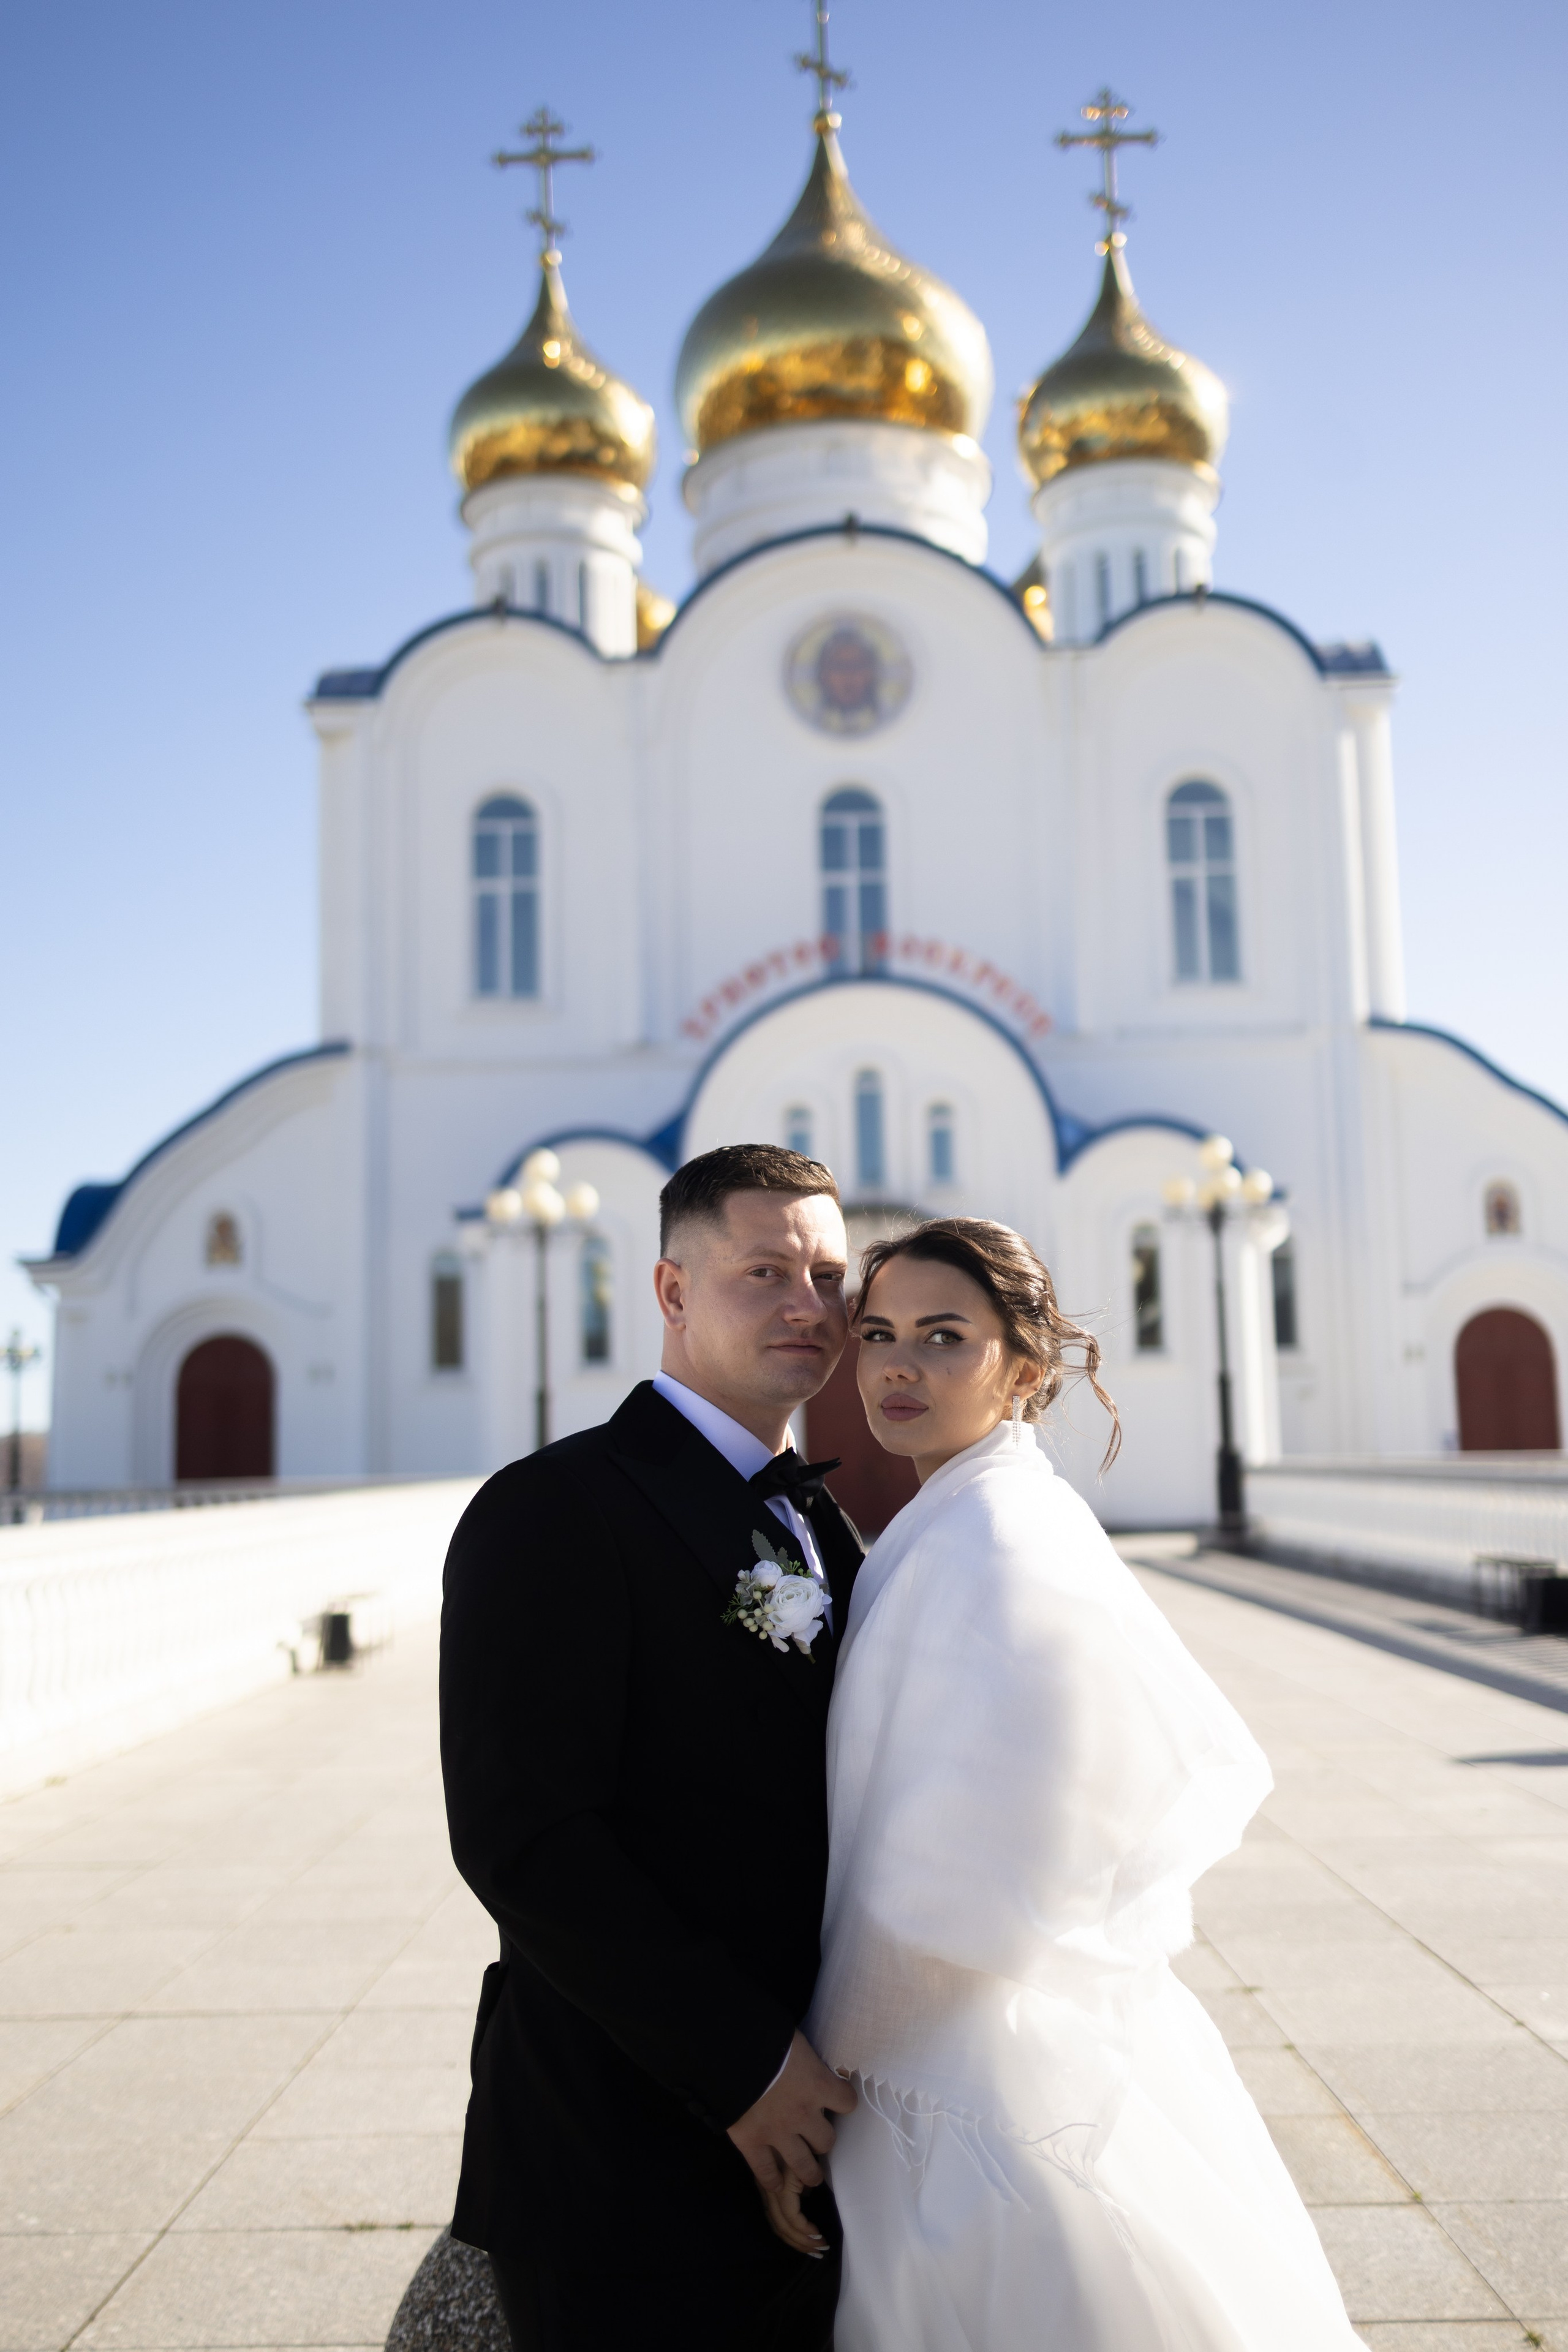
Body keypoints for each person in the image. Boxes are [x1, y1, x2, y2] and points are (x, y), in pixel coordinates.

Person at [795, 1217, 1363, 2352]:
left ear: (1024, 1366)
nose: (899, 1367)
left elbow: (955, 1870)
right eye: (880, 1334)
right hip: (962, 2024)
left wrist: (827, 2075)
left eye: (945, 1337)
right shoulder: (963, 1509)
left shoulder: (995, 1540)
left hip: (955, 2053)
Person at [439, 1144, 863, 2352]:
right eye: (765, 1271)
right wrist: (743, 2066)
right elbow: (523, 1837)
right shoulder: (553, 1510)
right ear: (672, 1292)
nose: (807, 1306)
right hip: (618, 2158)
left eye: (828, 1276)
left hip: (822, 2145)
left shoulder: (820, 1517)